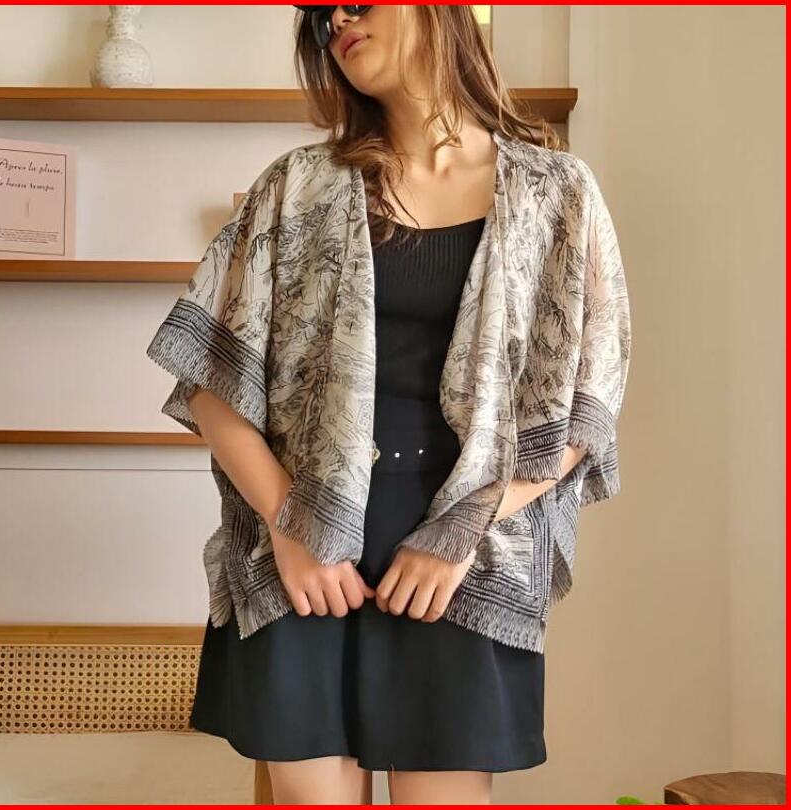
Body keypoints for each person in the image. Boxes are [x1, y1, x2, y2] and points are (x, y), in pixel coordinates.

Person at [146, 5, 631, 805]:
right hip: (304, 544)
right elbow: (211, 380)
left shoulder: (558, 193)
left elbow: (587, 403)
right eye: (321, 17)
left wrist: (459, 532)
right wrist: (291, 523)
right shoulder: (296, 186)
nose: (337, 20)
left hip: (462, 555)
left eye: (356, 2)